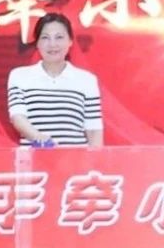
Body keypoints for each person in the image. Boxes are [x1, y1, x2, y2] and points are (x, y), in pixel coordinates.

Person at [7, 13, 103, 147]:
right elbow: (17, 118)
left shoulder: (87, 80)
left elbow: (93, 129)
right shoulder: (20, 76)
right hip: (33, 158)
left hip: (76, 158)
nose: (52, 44)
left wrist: (96, 159)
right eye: (45, 38)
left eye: (59, 37)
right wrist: (41, 140)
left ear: (70, 41)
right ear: (37, 43)